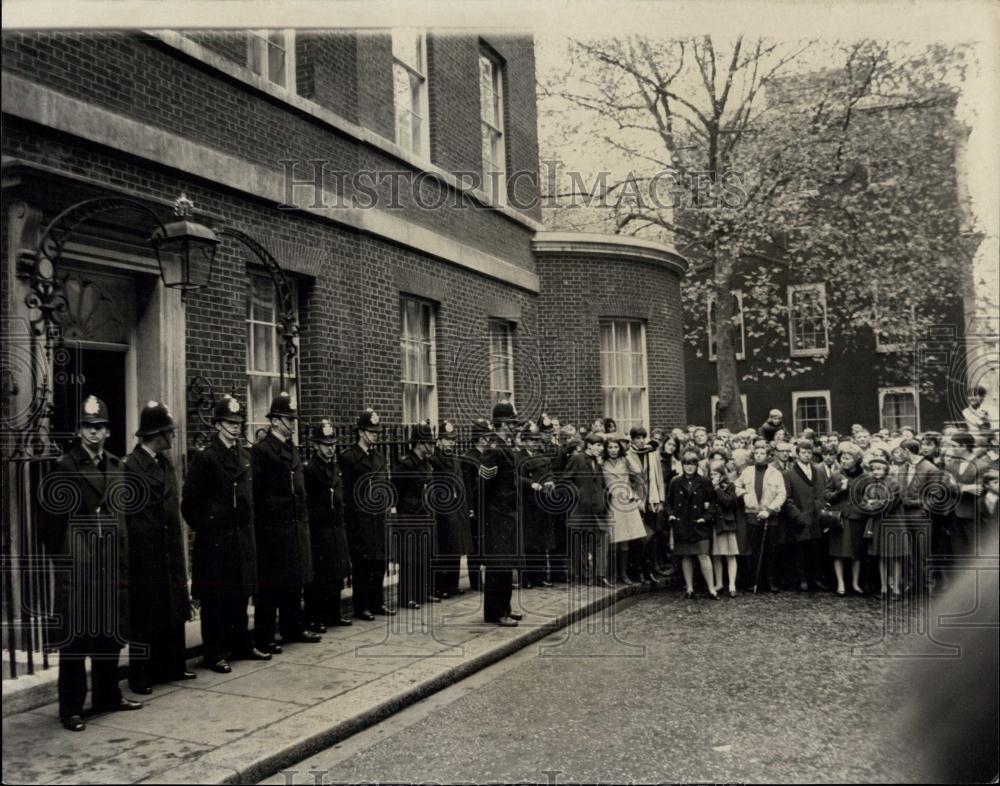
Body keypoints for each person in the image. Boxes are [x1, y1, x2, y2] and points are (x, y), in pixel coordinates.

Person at [39, 395, 142, 731]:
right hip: (80, 569)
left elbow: (121, 517)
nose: (93, 433)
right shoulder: (65, 467)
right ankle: (70, 708)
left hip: (110, 564)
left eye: (99, 427)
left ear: (109, 431)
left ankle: (107, 695)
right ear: (79, 430)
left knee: (108, 635)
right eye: (87, 426)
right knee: (75, 640)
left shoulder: (116, 465)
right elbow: (49, 526)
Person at [182, 394, 265, 674]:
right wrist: (211, 527)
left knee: (240, 595)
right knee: (216, 599)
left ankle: (240, 644)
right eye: (229, 422)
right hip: (216, 541)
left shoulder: (245, 455)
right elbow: (189, 506)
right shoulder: (205, 459)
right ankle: (214, 652)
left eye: (238, 422)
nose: (235, 427)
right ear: (217, 425)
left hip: (241, 537)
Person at [125, 401, 193, 695]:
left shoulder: (166, 464)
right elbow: (128, 516)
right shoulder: (131, 466)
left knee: (172, 609)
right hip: (146, 553)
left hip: (169, 549)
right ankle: (140, 675)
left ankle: (173, 665)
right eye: (169, 432)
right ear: (156, 435)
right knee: (145, 614)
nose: (173, 437)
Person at [252, 393, 320, 653]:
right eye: (289, 419)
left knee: (295, 580)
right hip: (273, 529)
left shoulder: (291, 448)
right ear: (275, 421)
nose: (293, 423)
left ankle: (293, 627)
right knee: (270, 587)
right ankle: (266, 636)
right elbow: (257, 493)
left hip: (294, 525)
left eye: (293, 418)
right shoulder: (262, 450)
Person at [340, 409, 395, 620]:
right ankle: (362, 605)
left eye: (376, 431)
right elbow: (346, 491)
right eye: (371, 431)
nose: (375, 435)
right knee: (362, 564)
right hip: (360, 519)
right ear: (361, 432)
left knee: (378, 562)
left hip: (378, 518)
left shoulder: (378, 456)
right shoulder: (349, 457)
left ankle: (377, 602)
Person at [303, 419, 353, 632]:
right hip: (320, 529)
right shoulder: (310, 469)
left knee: (336, 573)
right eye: (326, 444)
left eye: (333, 444)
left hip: (336, 527)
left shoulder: (335, 467)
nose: (331, 448)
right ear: (316, 445)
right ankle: (316, 617)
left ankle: (334, 613)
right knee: (320, 576)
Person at [478, 401, 524, 626]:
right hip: (497, 516)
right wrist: (488, 515)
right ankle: (496, 612)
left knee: (506, 564)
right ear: (503, 423)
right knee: (499, 566)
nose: (516, 427)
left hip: (507, 514)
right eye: (512, 423)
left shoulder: (505, 446)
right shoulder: (494, 449)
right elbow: (484, 485)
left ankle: (504, 607)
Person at [392, 422, 438, 609]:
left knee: (424, 555)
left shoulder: (426, 463)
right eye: (429, 443)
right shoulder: (406, 464)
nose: (432, 446)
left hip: (424, 514)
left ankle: (423, 593)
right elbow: (397, 491)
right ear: (419, 443)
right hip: (410, 516)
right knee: (409, 557)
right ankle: (407, 596)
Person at [429, 419, 475, 598]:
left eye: (452, 439)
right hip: (444, 510)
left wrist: (467, 507)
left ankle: (453, 584)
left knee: (456, 548)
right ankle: (442, 586)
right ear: (438, 441)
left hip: (458, 509)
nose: (450, 443)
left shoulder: (456, 459)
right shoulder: (434, 460)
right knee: (445, 549)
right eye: (447, 440)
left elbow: (462, 484)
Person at [665, 450, 718, 599]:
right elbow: (668, 502)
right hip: (682, 524)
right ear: (682, 465)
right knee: (686, 556)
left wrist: (706, 518)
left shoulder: (704, 481)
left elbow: (713, 502)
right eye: (686, 464)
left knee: (703, 555)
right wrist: (671, 515)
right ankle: (689, 589)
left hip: (699, 524)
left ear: (696, 466)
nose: (689, 467)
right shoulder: (675, 481)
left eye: (692, 464)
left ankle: (711, 589)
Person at [563, 430, 612, 587]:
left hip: (597, 510)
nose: (601, 449)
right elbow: (566, 480)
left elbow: (601, 485)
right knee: (583, 544)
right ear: (589, 445)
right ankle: (585, 576)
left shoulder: (596, 463)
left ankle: (600, 575)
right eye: (598, 445)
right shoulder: (577, 459)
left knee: (600, 541)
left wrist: (604, 500)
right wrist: (578, 494)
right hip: (581, 509)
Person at [737, 442, 786, 592]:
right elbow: (736, 486)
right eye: (756, 453)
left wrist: (770, 510)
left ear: (767, 456)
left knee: (771, 550)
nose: (759, 456)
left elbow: (781, 494)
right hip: (752, 514)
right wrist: (745, 495)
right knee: (755, 549)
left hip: (770, 515)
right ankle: (755, 581)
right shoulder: (747, 471)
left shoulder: (775, 473)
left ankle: (771, 581)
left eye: (762, 453)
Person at [782, 439, 830, 592]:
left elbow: (823, 493)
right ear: (797, 454)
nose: (807, 455)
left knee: (816, 549)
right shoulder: (788, 474)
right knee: (800, 550)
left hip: (816, 517)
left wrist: (820, 510)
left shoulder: (819, 472)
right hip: (800, 517)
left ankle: (815, 578)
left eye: (809, 453)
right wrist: (797, 516)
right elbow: (787, 498)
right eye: (803, 452)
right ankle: (802, 579)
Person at [824, 443, 867, 596]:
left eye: (848, 458)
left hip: (857, 518)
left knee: (857, 552)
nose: (844, 460)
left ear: (856, 460)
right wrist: (839, 492)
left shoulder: (865, 476)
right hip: (840, 519)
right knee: (838, 552)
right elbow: (826, 495)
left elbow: (868, 496)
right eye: (842, 457)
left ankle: (855, 583)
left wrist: (862, 505)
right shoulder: (835, 474)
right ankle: (840, 583)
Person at [603, 433, 647, 585]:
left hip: (627, 501)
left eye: (616, 447)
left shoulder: (624, 459)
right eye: (610, 447)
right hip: (612, 502)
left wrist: (627, 455)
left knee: (626, 539)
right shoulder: (602, 462)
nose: (613, 450)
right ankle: (612, 573)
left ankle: (624, 574)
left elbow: (638, 471)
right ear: (606, 449)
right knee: (613, 539)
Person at [626, 425, 666, 584]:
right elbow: (626, 481)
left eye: (643, 437)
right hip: (636, 501)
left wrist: (660, 499)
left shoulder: (652, 453)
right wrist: (635, 498)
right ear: (632, 439)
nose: (641, 441)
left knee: (651, 536)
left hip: (651, 500)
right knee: (639, 539)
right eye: (637, 438)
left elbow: (659, 478)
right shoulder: (628, 455)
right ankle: (637, 570)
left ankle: (648, 569)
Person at [516, 421, 554, 589]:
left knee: (540, 542)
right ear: (524, 441)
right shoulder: (518, 457)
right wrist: (531, 484)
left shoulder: (541, 457)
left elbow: (549, 473)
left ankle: (539, 576)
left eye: (535, 440)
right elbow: (516, 477)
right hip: (527, 504)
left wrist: (550, 482)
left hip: (541, 504)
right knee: (528, 543)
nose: (533, 443)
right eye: (530, 440)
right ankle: (527, 578)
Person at [859, 455, 903, 598]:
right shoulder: (870, 485)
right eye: (873, 470)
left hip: (893, 523)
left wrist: (874, 504)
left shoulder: (893, 484)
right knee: (881, 556)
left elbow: (889, 503)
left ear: (886, 469)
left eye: (879, 469)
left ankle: (896, 588)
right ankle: (884, 588)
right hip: (877, 523)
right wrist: (872, 504)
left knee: (895, 556)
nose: (876, 472)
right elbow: (863, 504)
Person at [943, 430, 992, 558]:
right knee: (958, 551)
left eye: (953, 446)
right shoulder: (950, 465)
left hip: (973, 514)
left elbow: (980, 489)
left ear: (964, 446)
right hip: (953, 514)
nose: (951, 449)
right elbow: (945, 486)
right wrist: (965, 487)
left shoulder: (982, 466)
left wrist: (956, 485)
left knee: (974, 550)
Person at [462, 418, 492, 591]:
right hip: (476, 507)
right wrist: (470, 507)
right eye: (487, 437)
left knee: (484, 542)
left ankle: (482, 578)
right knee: (475, 544)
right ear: (481, 439)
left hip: (486, 506)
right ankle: (475, 580)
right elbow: (468, 485)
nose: (489, 441)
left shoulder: (486, 457)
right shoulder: (469, 458)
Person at [709, 459, 740, 597]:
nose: (713, 477)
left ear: (722, 475)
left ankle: (732, 584)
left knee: (730, 555)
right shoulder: (707, 486)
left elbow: (728, 503)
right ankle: (719, 582)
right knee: (716, 555)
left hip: (727, 524)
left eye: (716, 474)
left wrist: (716, 488)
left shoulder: (730, 486)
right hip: (714, 524)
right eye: (711, 474)